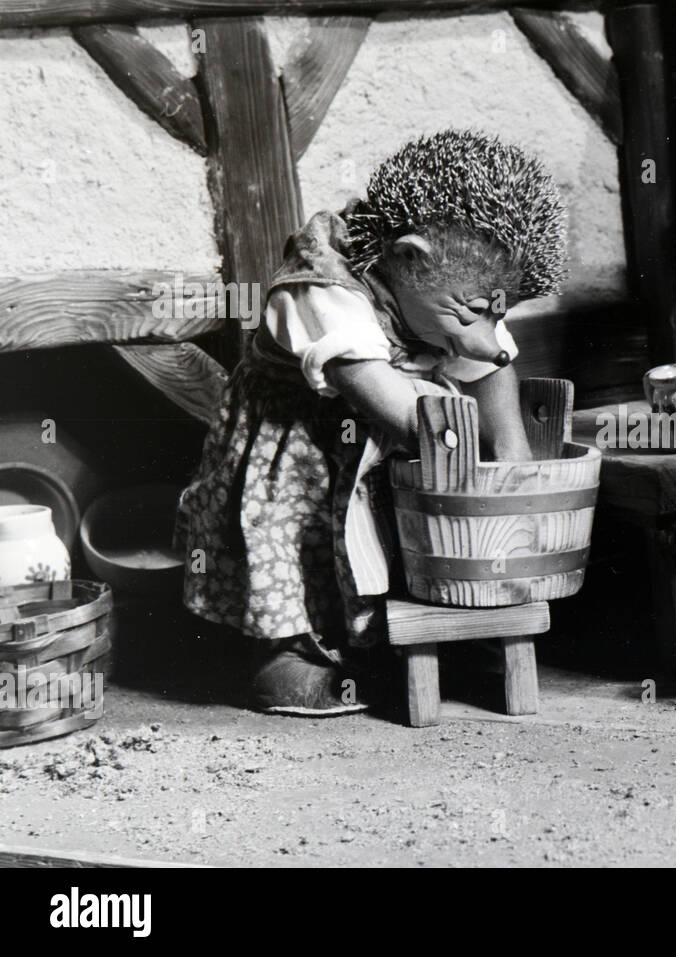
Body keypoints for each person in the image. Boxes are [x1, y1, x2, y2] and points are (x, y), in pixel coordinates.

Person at [177, 131, 567, 716]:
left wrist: (513, 461)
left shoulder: (458, 286)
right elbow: (392, 406)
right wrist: (464, 461)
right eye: (468, 314)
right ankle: (285, 659)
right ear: (409, 257)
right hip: (301, 445)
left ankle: (393, 644)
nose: (486, 333)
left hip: (381, 445)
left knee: (387, 541)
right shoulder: (322, 286)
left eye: (497, 312)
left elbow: (490, 364)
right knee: (294, 545)